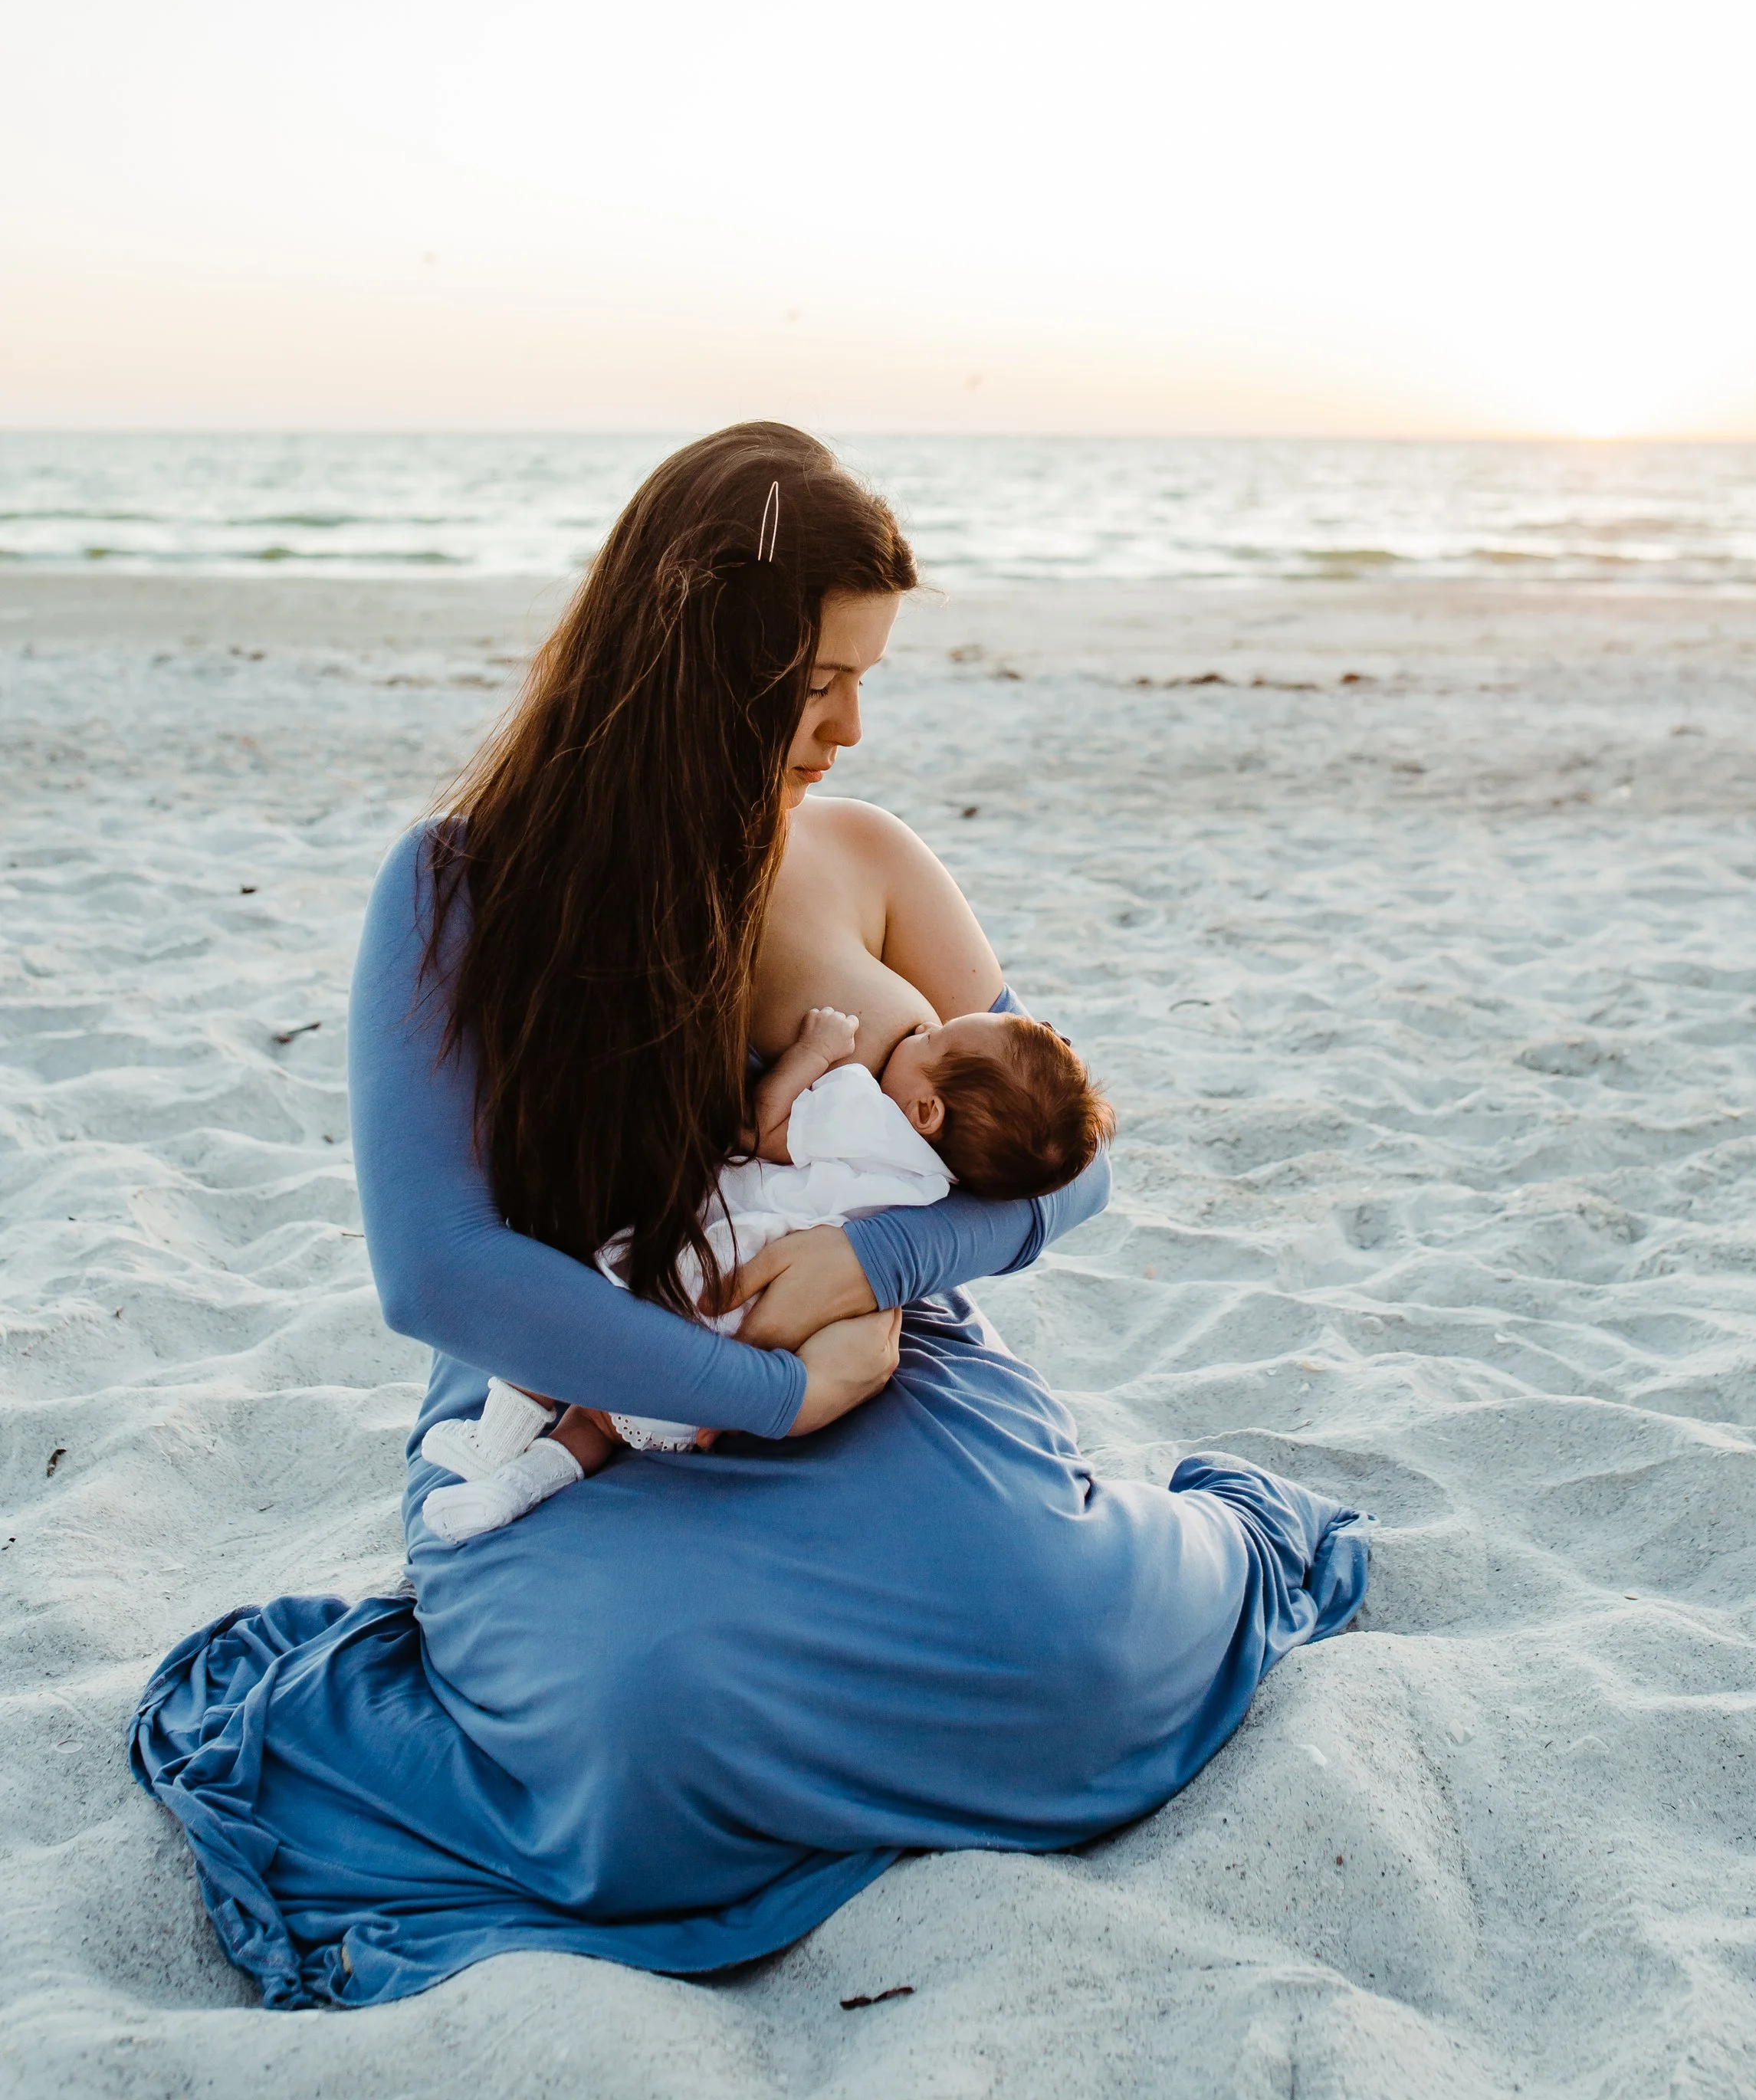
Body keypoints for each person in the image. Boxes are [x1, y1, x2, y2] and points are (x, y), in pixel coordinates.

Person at [129, 422, 1367, 2010]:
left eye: (867, 677)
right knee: (637, 1755)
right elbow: (437, 1270)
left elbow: (1075, 1165)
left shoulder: (865, 858)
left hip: (882, 1368)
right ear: (688, 661)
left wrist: (876, 1258)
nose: (852, 726)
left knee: (1083, 1664)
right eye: (814, 685)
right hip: (585, 1387)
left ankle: (1196, 1536)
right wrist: (762, 1396)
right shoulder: (454, 891)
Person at [415, 995, 1116, 1537]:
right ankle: (514, 1491)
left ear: (926, 1109)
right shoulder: (936, 1188)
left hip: (712, 1260)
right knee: (599, 1423)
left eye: (930, 1039)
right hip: (759, 1330)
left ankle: (496, 1445)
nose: (915, 1030)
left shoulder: (867, 1116)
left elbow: (763, 1130)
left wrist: (815, 1051)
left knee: (565, 1332)